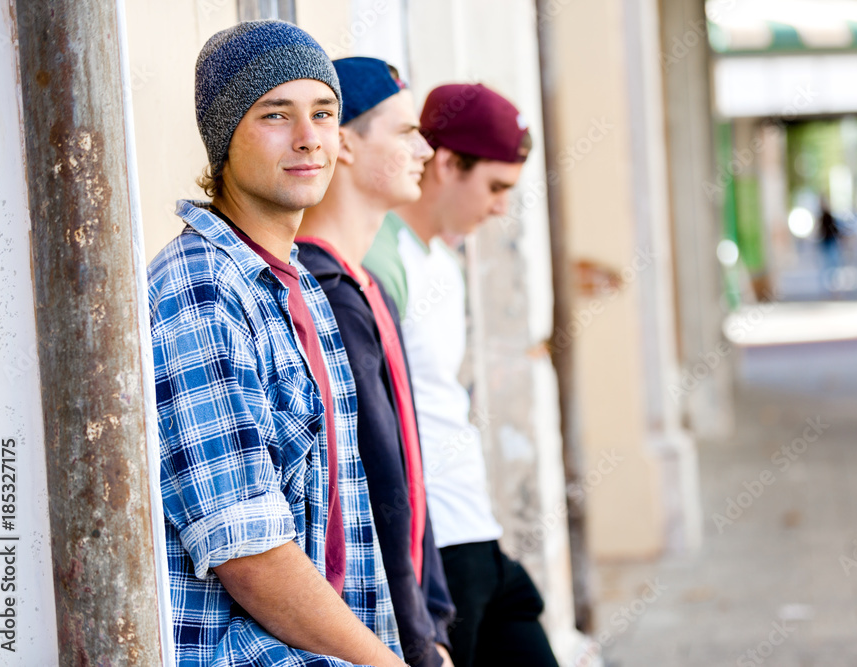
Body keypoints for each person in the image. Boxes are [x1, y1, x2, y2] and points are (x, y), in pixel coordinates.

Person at [147, 20, 405, 666]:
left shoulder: (295, 285)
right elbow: (250, 555)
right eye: (275, 114)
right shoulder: (202, 289)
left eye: (323, 112)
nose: (308, 138)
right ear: (224, 138)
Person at [364, 83, 559, 667]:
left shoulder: (443, 264)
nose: (502, 206)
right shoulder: (378, 258)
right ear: (448, 164)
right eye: (496, 187)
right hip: (438, 550)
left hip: (478, 536)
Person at [294, 57, 456, 667]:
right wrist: (415, 643)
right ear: (345, 144)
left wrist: (434, 617)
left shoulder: (369, 286)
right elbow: (371, 479)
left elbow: (412, 473)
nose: (425, 148)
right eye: (404, 131)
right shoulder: (321, 290)